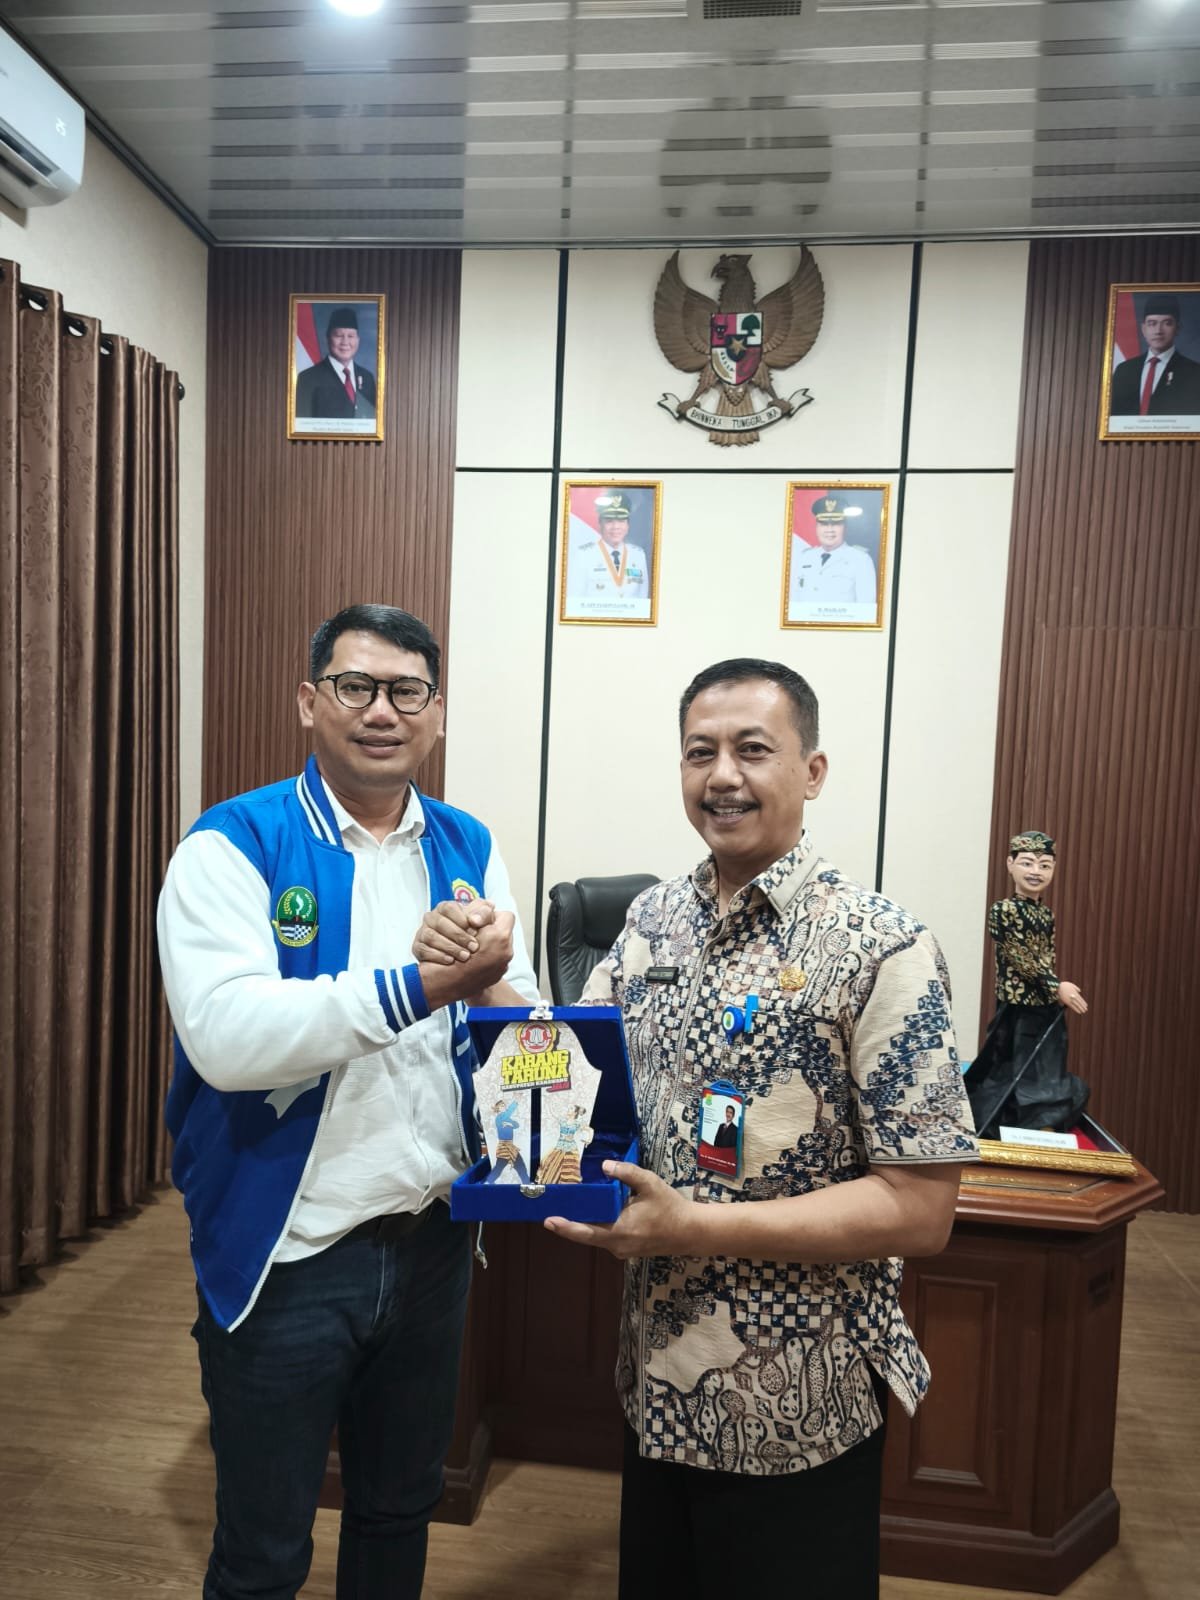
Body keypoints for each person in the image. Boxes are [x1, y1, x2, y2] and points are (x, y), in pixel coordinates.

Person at [415, 657, 978, 1600]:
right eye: (699, 752)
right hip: (657, 1389)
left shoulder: (882, 945)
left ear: (813, 771)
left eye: (753, 750)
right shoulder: (651, 922)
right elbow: (561, 1060)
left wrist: (693, 1227)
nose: (723, 776)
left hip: (799, 1410)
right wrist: (475, 975)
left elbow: (922, 1210)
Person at [157, 602, 538, 1600]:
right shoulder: (233, 842)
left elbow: (516, 1020)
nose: (382, 710)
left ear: (436, 713)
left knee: (397, 1513)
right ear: (308, 701)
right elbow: (229, 1037)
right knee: (263, 1552)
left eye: (407, 691)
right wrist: (420, 986)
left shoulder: (467, 843)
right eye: (356, 686)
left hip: (432, 1242)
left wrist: (497, 992)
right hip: (289, 1253)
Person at [965, 831, 1089, 1137]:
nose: (1036, 871)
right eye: (1027, 863)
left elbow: (1046, 957)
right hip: (1016, 1003)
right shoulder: (1003, 911)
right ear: (1010, 864)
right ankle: (1005, 1122)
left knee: (1046, 1067)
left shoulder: (1045, 914)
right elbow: (1019, 956)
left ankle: (1038, 1122)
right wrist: (1056, 986)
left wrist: (1053, 991)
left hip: (1044, 1002)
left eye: (1045, 865)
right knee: (1010, 1067)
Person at [1109, 293, 1200, 417]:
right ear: (1144, 329)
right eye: (1152, 323)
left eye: (1167, 323)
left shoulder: (1194, 372)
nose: (1158, 331)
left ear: (1178, 328)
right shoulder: (1124, 370)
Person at [790, 492, 877, 608]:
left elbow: (866, 609)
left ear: (845, 527)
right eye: (824, 524)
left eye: (836, 524)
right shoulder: (804, 558)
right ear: (816, 527)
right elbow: (793, 604)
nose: (829, 530)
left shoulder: (861, 560)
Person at [295, 305, 378, 420]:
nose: (345, 342)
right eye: (339, 335)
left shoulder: (367, 378)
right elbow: (301, 423)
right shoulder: (307, 378)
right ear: (328, 338)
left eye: (351, 336)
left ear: (358, 340)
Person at [570, 490, 651, 602]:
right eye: (609, 521)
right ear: (600, 524)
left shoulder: (638, 555)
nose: (615, 527)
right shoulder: (584, 555)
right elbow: (575, 599)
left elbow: (642, 598)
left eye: (621, 521)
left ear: (628, 525)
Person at [487, 1098, 532, 1185]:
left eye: (504, 1105)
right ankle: (488, 1182)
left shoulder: (507, 1118)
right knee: (500, 1167)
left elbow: (517, 1124)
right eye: (502, 1106)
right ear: (498, 1108)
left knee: (520, 1166)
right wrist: (516, 1101)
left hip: (510, 1146)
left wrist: (509, 1124)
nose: (504, 1107)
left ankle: (527, 1183)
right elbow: (508, 1113)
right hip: (504, 1146)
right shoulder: (499, 1118)